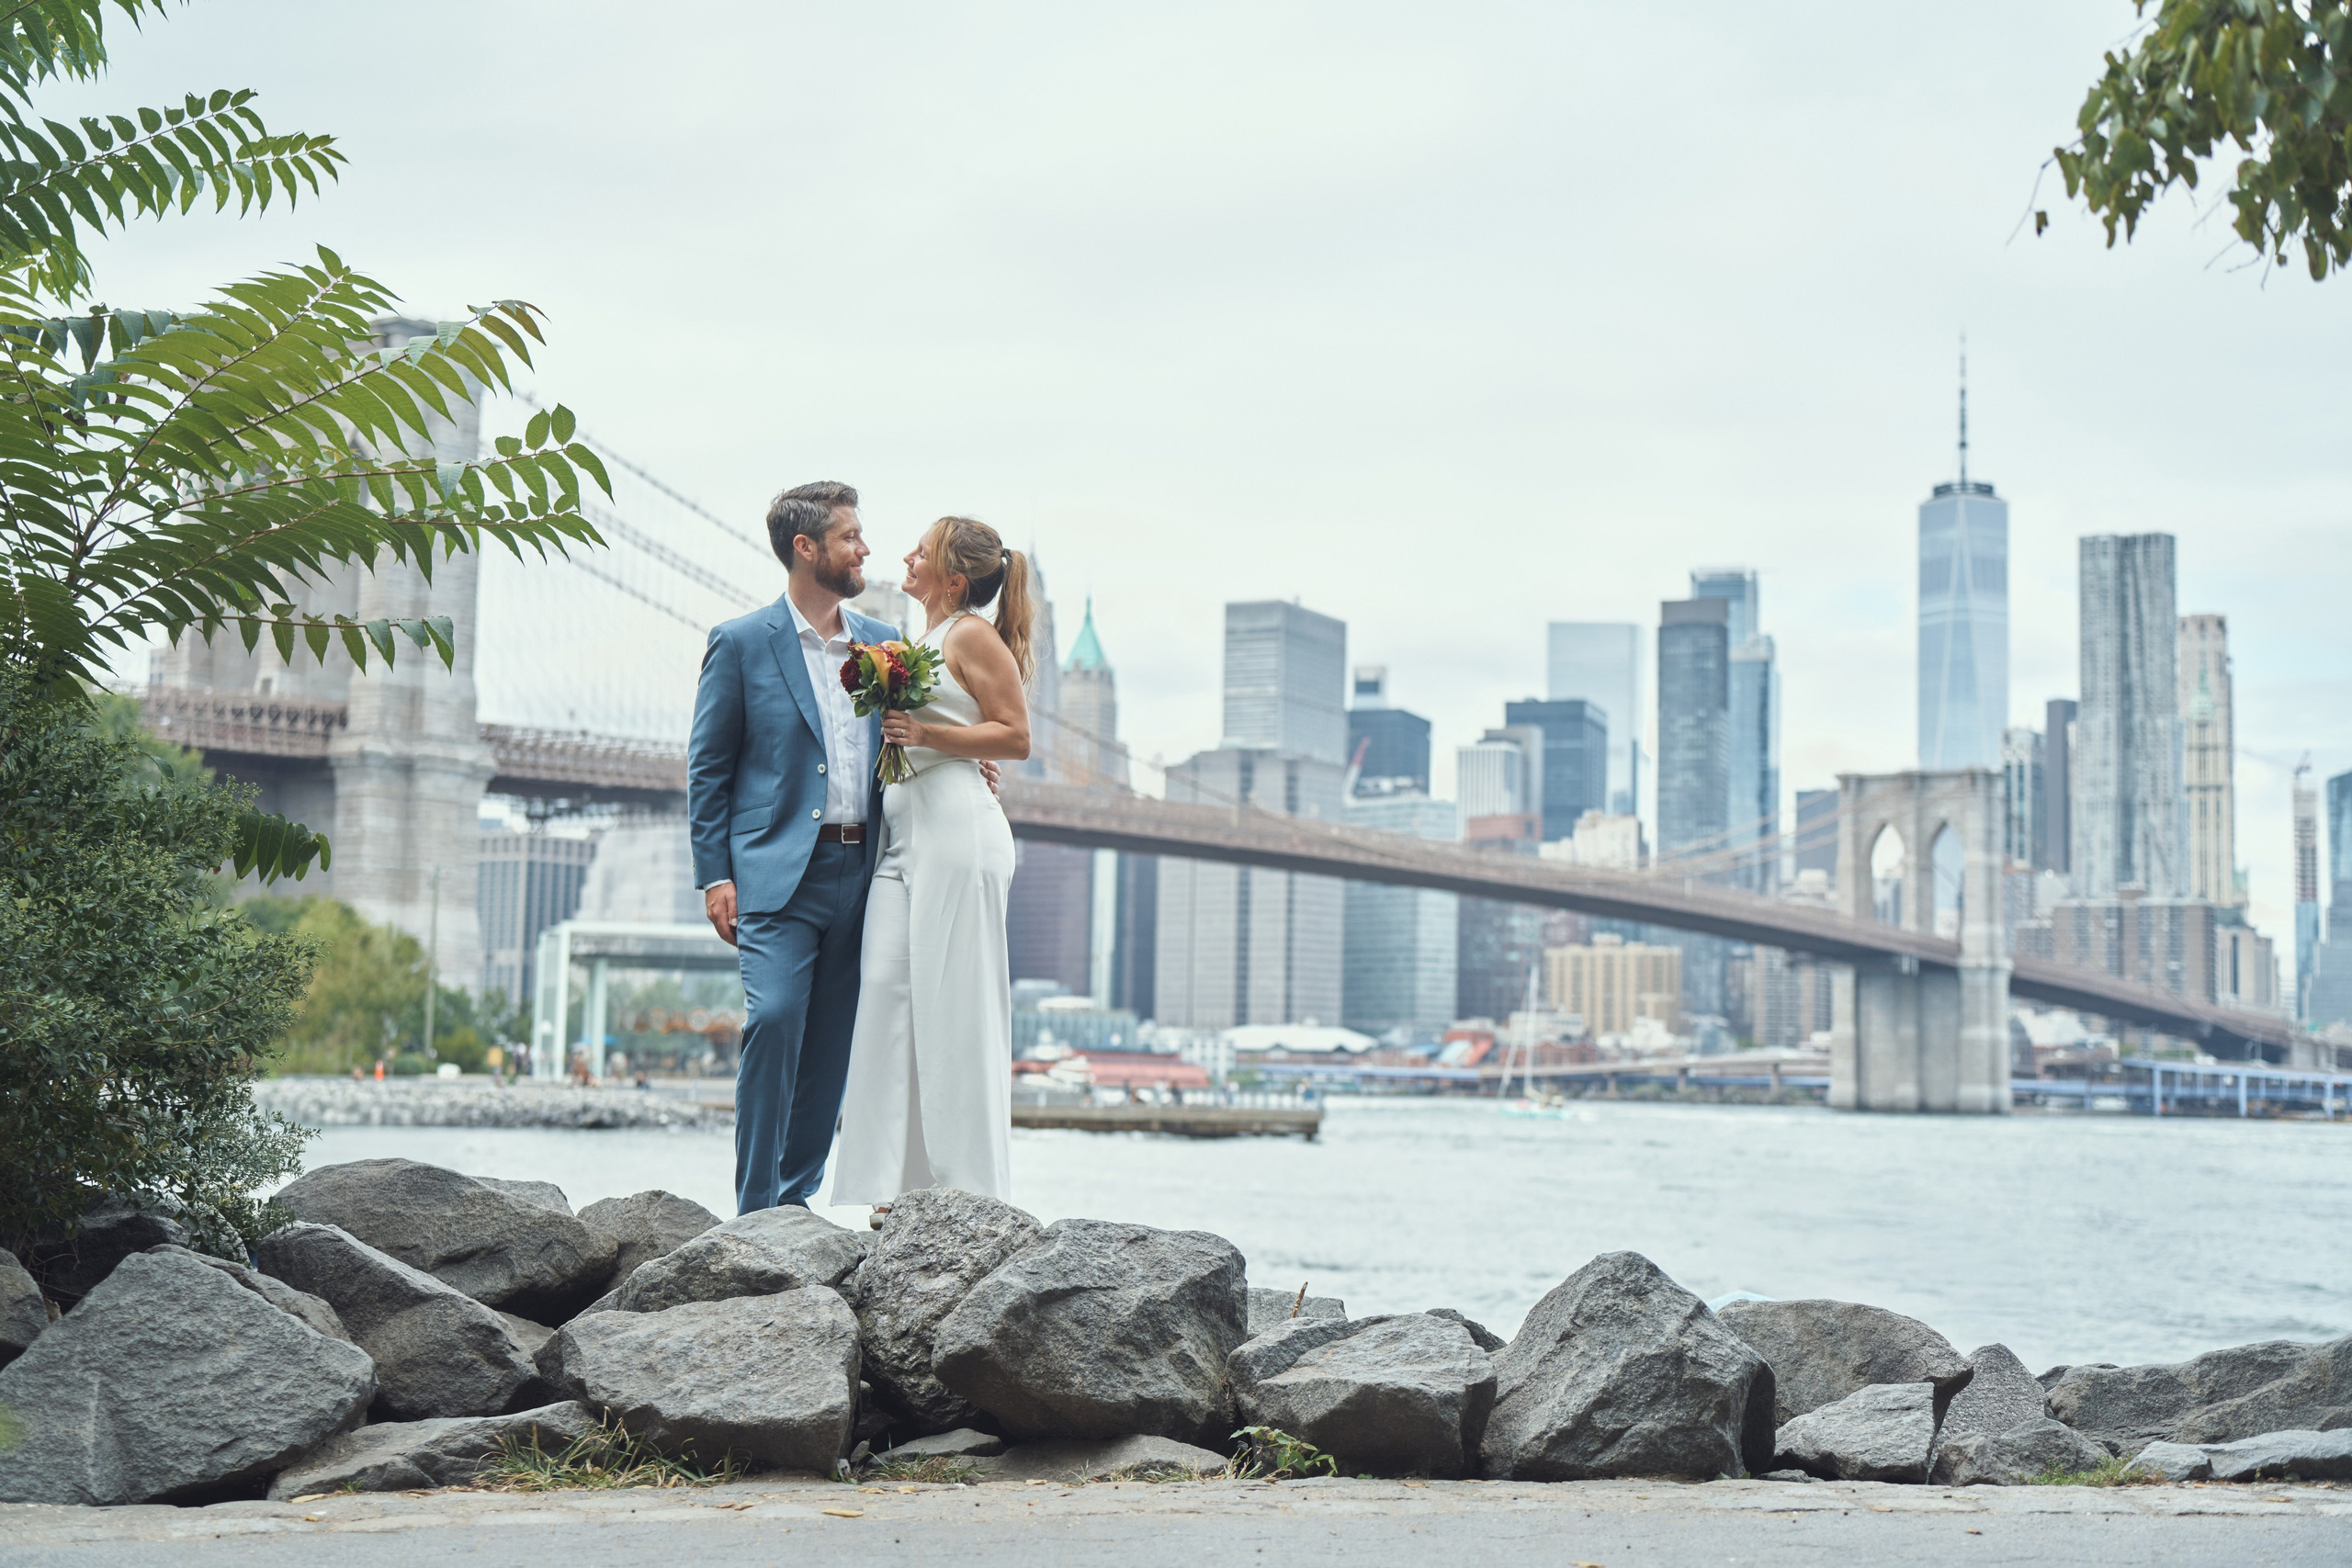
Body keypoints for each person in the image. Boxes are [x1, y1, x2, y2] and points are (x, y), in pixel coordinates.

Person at [687, 479, 894, 1215]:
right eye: (850, 536)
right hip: (775, 873)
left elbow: (909, 744)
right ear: (806, 548)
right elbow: (709, 767)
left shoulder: (881, 647)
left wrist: (972, 757)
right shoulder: (741, 643)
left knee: (831, 1045)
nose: (865, 548)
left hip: (862, 871)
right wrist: (715, 875)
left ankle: (794, 1200)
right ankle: (752, 1214)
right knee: (774, 1019)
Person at [835, 515, 1033, 1225]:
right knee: (888, 993)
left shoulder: (970, 634)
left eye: (922, 549)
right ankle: (894, 1183)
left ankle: (965, 1196)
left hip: (958, 837)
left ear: (955, 578)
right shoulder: (914, 642)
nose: (906, 555)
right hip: (903, 841)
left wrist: (931, 736)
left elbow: (1016, 734)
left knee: (955, 1006)